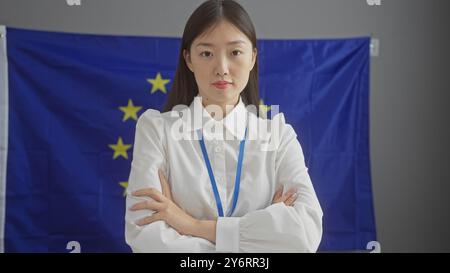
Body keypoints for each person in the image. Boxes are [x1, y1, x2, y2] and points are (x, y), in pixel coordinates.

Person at [125, 0, 323, 253]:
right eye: (206, 53)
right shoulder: (157, 130)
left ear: (252, 57)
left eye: (235, 52)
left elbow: (303, 235)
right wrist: (261, 236)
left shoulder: (279, 136)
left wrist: (191, 224)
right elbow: (145, 236)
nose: (221, 68)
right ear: (188, 59)